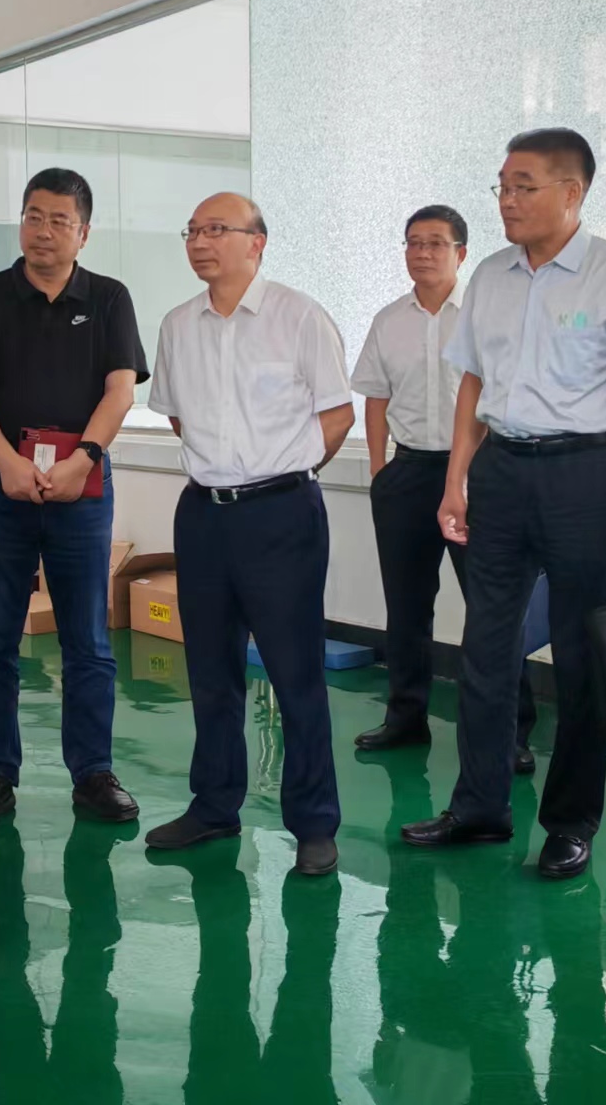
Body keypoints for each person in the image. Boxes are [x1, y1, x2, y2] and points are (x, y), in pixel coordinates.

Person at [400, 128, 606, 881]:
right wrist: (456, 481)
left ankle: (570, 823)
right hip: (502, 472)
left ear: (572, 192)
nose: (507, 201)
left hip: (586, 475)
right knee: (486, 649)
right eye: (503, 187)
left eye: (524, 186)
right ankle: (480, 808)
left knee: (581, 655)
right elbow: (473, 386)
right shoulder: (490, 275)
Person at [144, 192, 353, 877]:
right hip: (204, 514)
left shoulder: (301, 317)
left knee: (296, 674)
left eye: (216, 229)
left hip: (282, 514)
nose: (199, 242)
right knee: (210, 671)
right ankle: (213, 806)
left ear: (256, 243)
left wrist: (281, 475)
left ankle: (314, 824)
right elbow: (178, 417)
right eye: (192, 230)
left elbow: (336, 416)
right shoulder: (178, 326)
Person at [0, 168, 149, 831]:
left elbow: (121, 390)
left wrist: (82, 458)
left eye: (60, 220)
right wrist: (7, 462)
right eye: (34, 216)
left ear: (83, 233)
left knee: (87, 637)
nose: (44, 231)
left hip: (80, 485)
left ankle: (93, 774)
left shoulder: (110, 298)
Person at [350, 204, 536, 769]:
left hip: (479, 475)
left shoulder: (485, 316)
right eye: (413, 243)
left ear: (461, 253)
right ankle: (405, 718)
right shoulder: (388, 320)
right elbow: (375, 397)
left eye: (435, 243)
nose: (422, 253)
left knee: (492, 608)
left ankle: (512, 731)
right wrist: (380, 470)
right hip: (407, 473)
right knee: (406, 606)